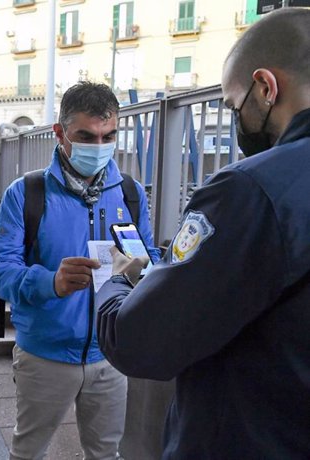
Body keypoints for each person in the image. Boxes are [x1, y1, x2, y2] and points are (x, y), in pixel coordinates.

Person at [96, 9, 310, 459]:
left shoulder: (250, 190)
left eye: (235, 106)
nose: (238, 124)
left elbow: (140, 342)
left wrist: (117, 282)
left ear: (266, 87)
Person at [0, 82, 160, 460]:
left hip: (110, 354)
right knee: (29, 451)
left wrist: (146, 269)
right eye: (86, 136)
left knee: (105, 453)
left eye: (108, 135)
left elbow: (148, 253)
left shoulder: (129, 192)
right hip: (45, 353)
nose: (99, 146)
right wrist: (51, 282)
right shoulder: (26, 193)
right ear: (60, 133)